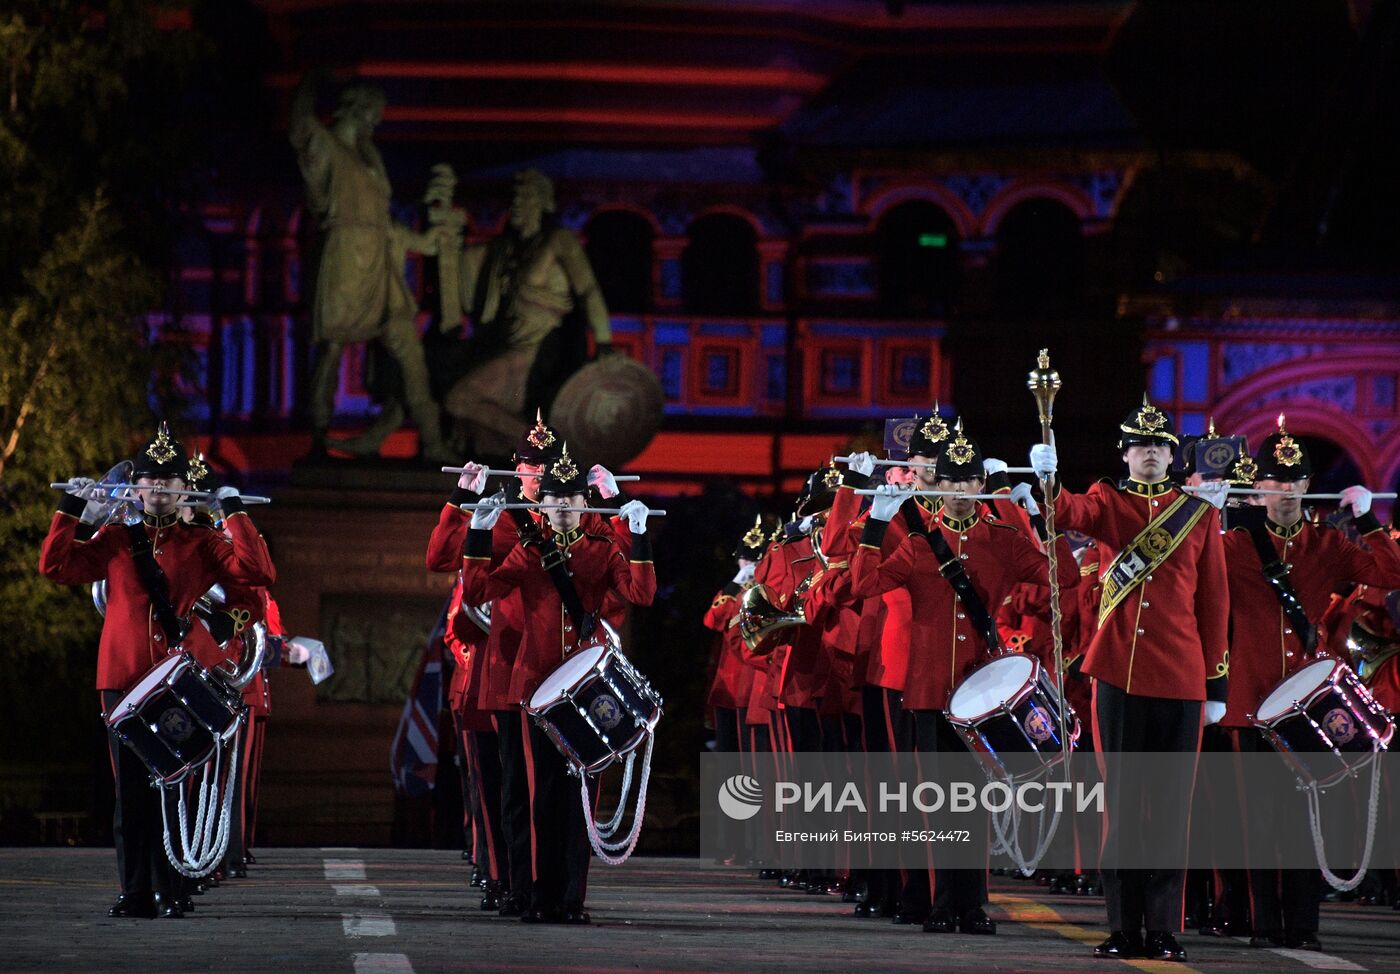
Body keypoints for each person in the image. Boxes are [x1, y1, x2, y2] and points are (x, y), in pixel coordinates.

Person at [39, 423, 276, 919]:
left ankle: (171, 888)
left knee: (176, 784)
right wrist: (72, 511)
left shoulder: (202, 541)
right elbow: (56, 568)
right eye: (149, 480)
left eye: (168, 481)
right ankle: (134, 889)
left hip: (176, 679)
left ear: (181, 488)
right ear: (137, 487)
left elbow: (258, 577)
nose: (159, 489)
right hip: (122, 678)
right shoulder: (117, 539)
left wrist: (232, 510)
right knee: (129, 790)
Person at [855, 425, 1077, 936]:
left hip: (981, 691)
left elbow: (1062, 578)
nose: (957, 491)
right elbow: (862, 585)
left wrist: (1037, 516)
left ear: (980, 486)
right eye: (949, 482)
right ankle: (939, 903)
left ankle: (971, 905)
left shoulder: (1001, 538)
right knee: (937, 801)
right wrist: (875, 525)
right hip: (930, 687)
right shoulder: (917, 545)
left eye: (967, 482)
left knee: (977, 801)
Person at [1029, 396, 1230, 962]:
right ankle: (1122, 927)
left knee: (1170, 806)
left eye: (1161, 447)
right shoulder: (1108, 501)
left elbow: (1214, 602)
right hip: (1118, 672)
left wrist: (1216, 684)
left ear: (1172, 456)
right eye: (1142, 447)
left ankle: (1164, 928)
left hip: (1182, 677)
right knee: (1120, 803)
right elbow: (1068, 514)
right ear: (1126, 454)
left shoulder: (1199, 514)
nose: (1151, 455)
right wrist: (1049, 479)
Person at [1218, 417, 1400, 951]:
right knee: (1257, 820)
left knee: (1306, 819)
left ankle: (1303, 926)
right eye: (1274, 481)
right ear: (1260, 487)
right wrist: (1201, 509)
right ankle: (1263, 925)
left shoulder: (1327, 545)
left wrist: (1368, 520)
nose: (1284, 491)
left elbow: (1389, 574)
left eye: (1294, 481)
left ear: (1305, 486)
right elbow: (1188, 571)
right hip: (1250, 701)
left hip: (1309, 704)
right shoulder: (1233, 546)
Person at [461, 447, 656, 924]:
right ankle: (533, 896)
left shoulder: (601, 546)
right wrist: (479, 533)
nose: (564, 507)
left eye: (572, 498)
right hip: (534, 690)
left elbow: (641, 594)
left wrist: (641, 536)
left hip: (587, 689)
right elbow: (478, 593)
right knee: (536, 796)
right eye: (554, 500)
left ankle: (571, 900)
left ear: (584, 502)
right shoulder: (530, 549)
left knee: (580, 797)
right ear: (541, 505)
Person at [428, 411, 563, 916]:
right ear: (517, 469)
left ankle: (554, 888)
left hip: (565, 668)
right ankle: (513, 883)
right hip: (511, 667)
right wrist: (463, 499)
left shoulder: (575, 513)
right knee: (513, 787)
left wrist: (610, 503)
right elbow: (440, 559)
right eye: (529, 467)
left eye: (545, 467)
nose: (536, 475)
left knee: (559, 789)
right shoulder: (503, 516)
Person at [290, 71, 452, 462]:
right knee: (332, 347)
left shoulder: (370, 158)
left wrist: (421, 243)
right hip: (345, 260)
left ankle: (432, 441)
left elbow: (383, 221)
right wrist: (312, 73)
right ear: (357, 110)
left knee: (408, 348)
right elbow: (299, 124)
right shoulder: (325, 146)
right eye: (374, 112)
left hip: (381, 266)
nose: (377, 121)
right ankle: (318, 436)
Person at [437, 168, 614, 456]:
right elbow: (466, 273)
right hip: (506, 342)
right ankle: (535, 445)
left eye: (527, 198)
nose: (518, 204)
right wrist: (446, 234)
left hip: (536, 350)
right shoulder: (507, 249)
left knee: (459, 399)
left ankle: (549, 447)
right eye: (515, 198)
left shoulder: (559, 240)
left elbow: (588, 290)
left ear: (543, 204)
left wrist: (604, 342)